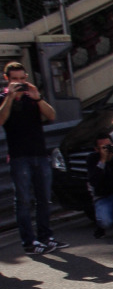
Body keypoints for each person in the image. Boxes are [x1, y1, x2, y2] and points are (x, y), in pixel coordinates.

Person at [0, 62, 64, 255]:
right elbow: (1, 120)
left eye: (22, 79)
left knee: (44, 198)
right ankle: (29, 241)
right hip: (20, 157)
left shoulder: (32, 98)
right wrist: (11, 96)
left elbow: (52, 115)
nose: (20, 83)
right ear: (7, 79)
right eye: (15, 79)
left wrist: (38, 98)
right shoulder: (3, 98)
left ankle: (46, 237)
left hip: (40, 154)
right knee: (24, 201)